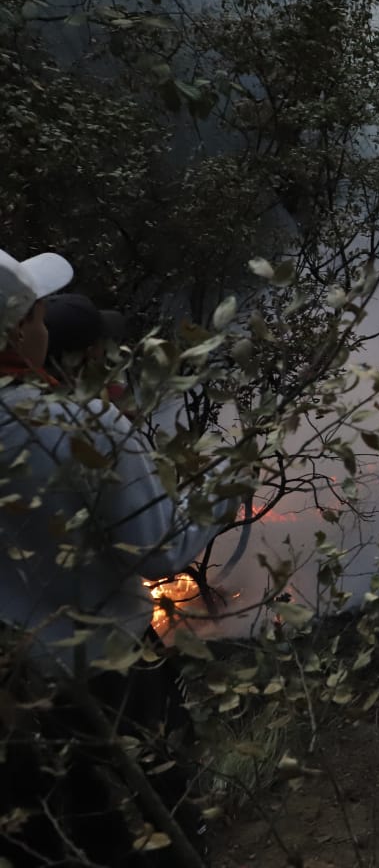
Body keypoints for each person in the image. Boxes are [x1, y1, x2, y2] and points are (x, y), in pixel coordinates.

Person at [0, 248, 212, 865]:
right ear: (19, 329)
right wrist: (210, 497)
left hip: (13, 695)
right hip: (109, 671)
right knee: (160, 817)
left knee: (50, 837)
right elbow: (160, 552)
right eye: (36, 315)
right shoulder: (83, 425)